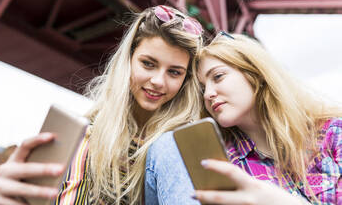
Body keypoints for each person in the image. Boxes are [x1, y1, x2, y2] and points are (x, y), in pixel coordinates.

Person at [0, 5, 205, 205]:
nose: (158, 81)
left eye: (174, 72)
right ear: (127, 60)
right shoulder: (82, 136)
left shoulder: (184, 148)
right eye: (148, 64)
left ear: (186, 80)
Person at [145, 33, 342, 205]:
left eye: (218, 76)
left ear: (255, 73)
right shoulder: (222, 165)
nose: (208, 94)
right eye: (203, 89)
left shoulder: (333, 133)